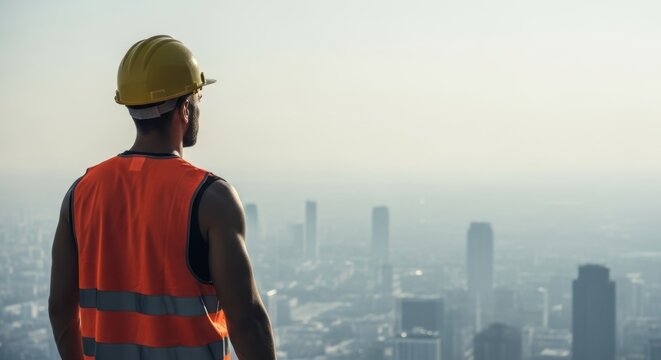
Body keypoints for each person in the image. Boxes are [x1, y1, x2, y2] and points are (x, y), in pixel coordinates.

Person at [48, 35, 276, 360]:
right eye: (198, 97)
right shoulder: (210, 199)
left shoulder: (81, 192)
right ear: (185, 108)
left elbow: (60, 309)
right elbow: (247, 321)